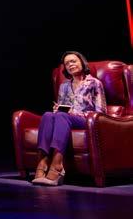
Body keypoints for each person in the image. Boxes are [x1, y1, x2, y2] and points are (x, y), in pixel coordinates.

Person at [33, 51, 106, 186]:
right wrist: (58, 109)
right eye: (67, 63)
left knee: (62, 115)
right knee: (48, 115)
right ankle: (42, 162)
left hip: (86, 121)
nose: (70, 65)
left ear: (82, 63)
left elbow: (101, 112)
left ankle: (57, 165)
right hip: (66, 119)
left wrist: (74, 113)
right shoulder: (64, 86)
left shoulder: (94, 83)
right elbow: (62, 107)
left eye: (73, 61)